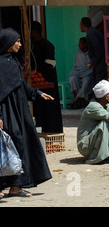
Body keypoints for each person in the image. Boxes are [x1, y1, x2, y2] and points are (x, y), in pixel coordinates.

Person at [0, 28, 52, 198]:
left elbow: (20, 83)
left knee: (21, 145)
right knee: (8, 146)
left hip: (19, 111)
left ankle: (16, 186)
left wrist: (36, 93)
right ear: (8, 43)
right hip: (6, 112)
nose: (20, 44)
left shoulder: (13, 61)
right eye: (17, 41)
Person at [77, 80, 109, 164]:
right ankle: (101, 156)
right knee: (105, 124)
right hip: (85, 146)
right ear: (107, 96)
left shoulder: (106, 105)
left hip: (93, 142)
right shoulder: (93, 107)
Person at [30, 21, 63, 133]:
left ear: (34, 32)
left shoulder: (47, 45)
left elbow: (50, 65)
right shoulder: (31, 45)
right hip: (37, 86)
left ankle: (52, 133)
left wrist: (37, 72)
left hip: (48, 84)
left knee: (50, 112)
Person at [80, 17, 107, 84]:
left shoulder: (91, 34)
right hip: (99, 63)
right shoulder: (93, 32)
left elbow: (98, 49)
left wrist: (93, 61)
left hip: (100, 64)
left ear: (83, 25)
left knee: (100, 84)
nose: (79, 27)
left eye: (80, 25)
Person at [68, 37, 93, 109]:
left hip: (88, 73)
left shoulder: (90, 53)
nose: (78, 45)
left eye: (80, 43)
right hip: (78, 72)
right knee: (72, 79)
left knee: (86, 81)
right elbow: (76, 66)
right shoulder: (78, 52)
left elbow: (91, 66)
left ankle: (77, 99)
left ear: (85, 44)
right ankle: (79, 99)